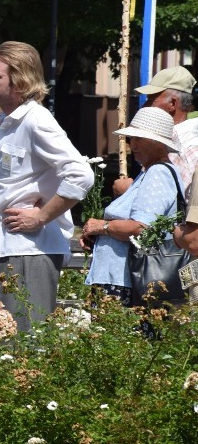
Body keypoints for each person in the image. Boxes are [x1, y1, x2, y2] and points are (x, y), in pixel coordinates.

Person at [0, 41, 94, 331]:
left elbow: (81, 174)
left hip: (29, 251)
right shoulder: (9, 120)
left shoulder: (35, 120)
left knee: (26, 348)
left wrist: (42, 216)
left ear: (19, 82)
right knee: (7, 346)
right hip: (9, 249)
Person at [81, 107, 182, 305]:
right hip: (121, 277)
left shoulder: (158, 173)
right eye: (131, 138)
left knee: (115, 333)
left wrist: (101, 227)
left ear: (158, 142)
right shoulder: (149, 172)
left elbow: (140, 227)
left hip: (127, 279)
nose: (133, 144)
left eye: (139, 139)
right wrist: (99, 236)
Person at [114, 66, 198, 197]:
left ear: (173, 104)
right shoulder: (184, 137)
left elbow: (167, 201)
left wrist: (127, 192)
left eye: (151, 100)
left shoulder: (180, 145)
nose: (145, 106)